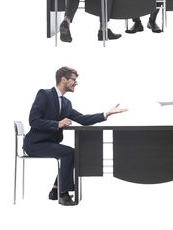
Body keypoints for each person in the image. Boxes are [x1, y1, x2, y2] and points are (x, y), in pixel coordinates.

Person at [23, 67, 127, 206]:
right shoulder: (44, 94)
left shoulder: (66, 103)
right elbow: (33, 121)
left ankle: (55, 190)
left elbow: (83, 119)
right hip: (34, 144)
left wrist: (106, 114)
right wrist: (57, 124)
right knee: (69, 153)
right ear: (63, 80)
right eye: (73, 80)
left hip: (48, 143)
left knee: (71, 153)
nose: (76, 83)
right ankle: (63, 194)